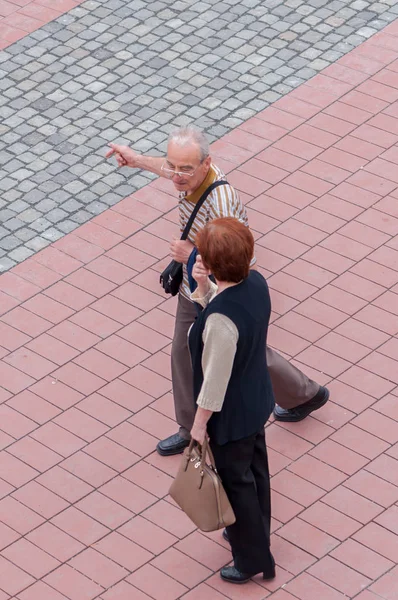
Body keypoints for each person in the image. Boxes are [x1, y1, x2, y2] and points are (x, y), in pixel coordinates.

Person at [106, 126, 329, 456]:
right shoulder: (186, 173)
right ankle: (187, 426)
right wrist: (136, 159)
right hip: (192, 284)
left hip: (223, 288)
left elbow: (244, 254)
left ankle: (303, 393)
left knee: (244, 352)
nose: (176, 177)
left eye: (185, 169)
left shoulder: (222, 201)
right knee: (184, 350)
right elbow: (166, 168)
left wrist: (191, 255)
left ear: (206, 163)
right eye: (173, 166)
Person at [189, 217, 275, 583]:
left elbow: (214, 381)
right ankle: (257, 531)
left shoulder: (221, 321)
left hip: (232, 415)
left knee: (236, 482)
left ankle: (254, 558)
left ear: (209, 261)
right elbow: (229, 315)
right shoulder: (256, 283)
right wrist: (205, 287)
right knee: (256, 471)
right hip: (256, 398)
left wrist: (197, 424)